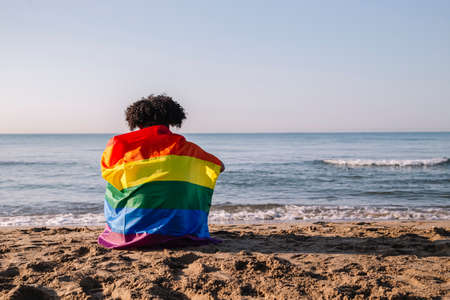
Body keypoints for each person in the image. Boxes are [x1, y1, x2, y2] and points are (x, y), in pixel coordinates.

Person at [98, 94, 224, 249]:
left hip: (128, 232)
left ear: (137, 121)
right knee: (187, 182)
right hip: (177, 231)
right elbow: (219, 166)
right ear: (171, 120)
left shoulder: (120, 146)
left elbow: (107, 170)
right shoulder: (186, 148)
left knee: (115, 184)